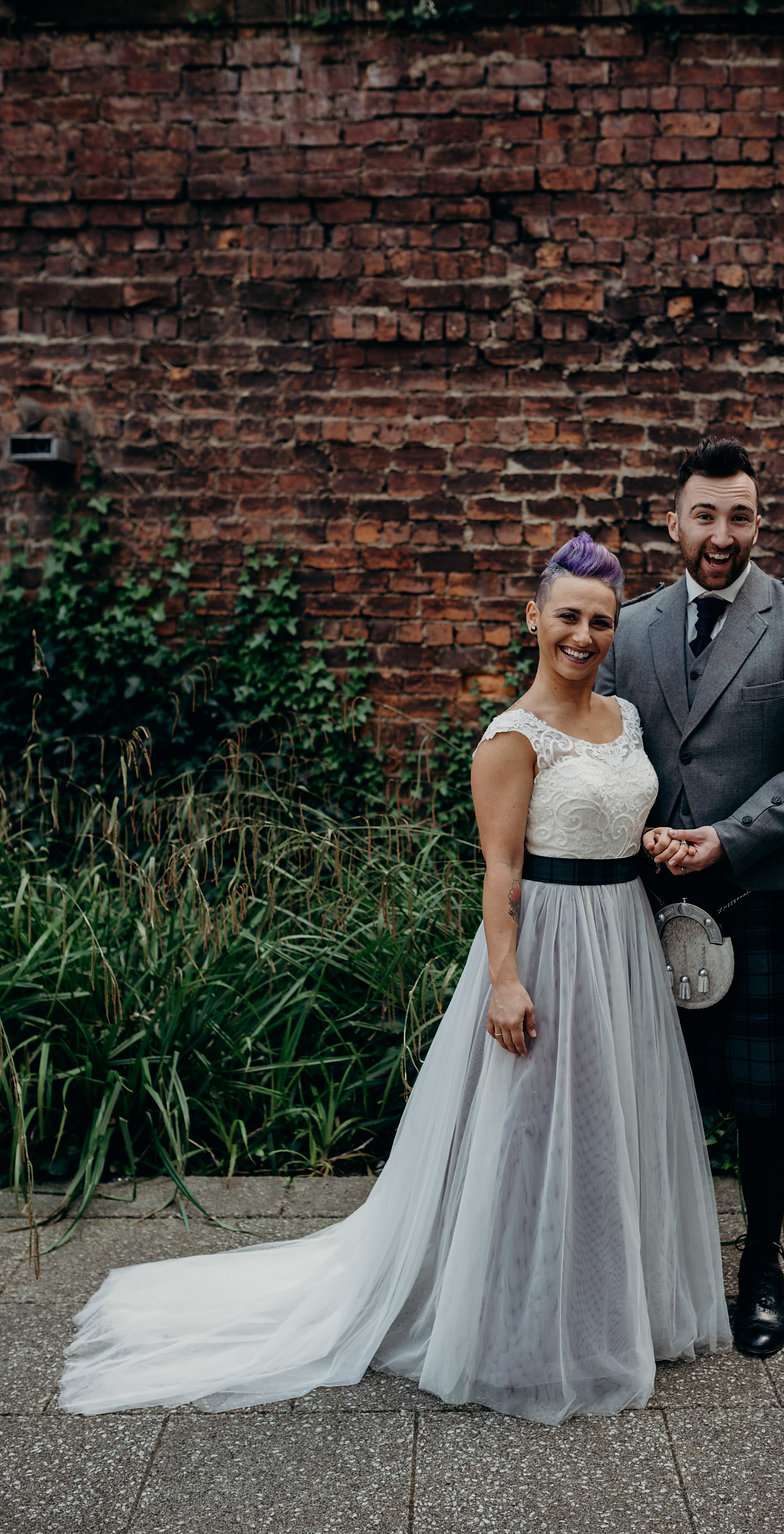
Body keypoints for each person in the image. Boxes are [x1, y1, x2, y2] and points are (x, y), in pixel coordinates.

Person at [58, 532, 731, 1427]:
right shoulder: (510, 738)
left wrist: (648, 840)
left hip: (623, 944)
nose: (584, 635)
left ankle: (608, 1307)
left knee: (612, 1126)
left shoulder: (626, 720)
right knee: (531, 1133)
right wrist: (505, 982)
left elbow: (614, 815)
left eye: (600, 621)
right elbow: (501, 870)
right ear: (533, 618)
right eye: (568, 616)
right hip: (548, 947)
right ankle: (515, 1324)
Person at [596, 435, 784, 1360]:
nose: (721, 534)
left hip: (757, 896)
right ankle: (650, 1266)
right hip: (646, 895)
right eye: (704, 515)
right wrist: (645, 831)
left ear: (758, 522)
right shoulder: (631, 627)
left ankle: (762, 1265)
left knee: (764, 1104)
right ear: (673, 523)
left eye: (738, 516)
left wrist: (728, 837)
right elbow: (603, 747)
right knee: (647, 1092)